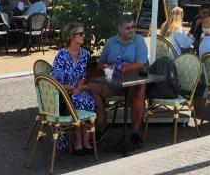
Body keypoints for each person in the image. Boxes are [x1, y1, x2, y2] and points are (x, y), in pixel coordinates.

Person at [87, 15, 149, 148]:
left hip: (132, 82)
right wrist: (107, 67)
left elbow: (141, 62)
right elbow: (100, 64)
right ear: (120, 29)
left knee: (141, 87)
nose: (131, 30)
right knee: (92, 86)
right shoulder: (110, 42)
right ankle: (102, 123)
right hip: (112, 82)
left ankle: (135, 132)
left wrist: (123, 68)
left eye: (133, 27)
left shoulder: (139, 41)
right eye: (128, 28)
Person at [50, 21, 96, 155]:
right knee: (79, 101)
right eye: (80, 34)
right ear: (71, 36)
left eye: (83, 33)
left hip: (77, 90)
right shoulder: (61, 56)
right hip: (63, 92)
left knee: (89, 100)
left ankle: (86, 141)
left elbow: (82, 76)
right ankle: (77, 142)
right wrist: (70, 88)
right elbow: (56, 83)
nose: (83, 36)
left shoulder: (84, 54)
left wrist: (80, 87)